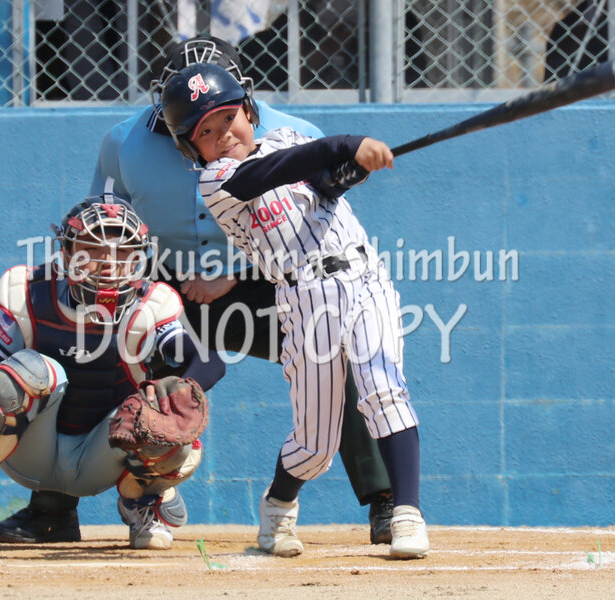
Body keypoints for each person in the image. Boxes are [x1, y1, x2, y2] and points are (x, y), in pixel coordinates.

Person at [0, 36, 395, 547]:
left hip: (264, 283)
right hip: (165, 287)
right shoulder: (123, 142)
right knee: (89, 346)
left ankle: (386, 501)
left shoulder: (295, 135)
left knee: (334, 353)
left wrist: (235, 270)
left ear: (243, 95)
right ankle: (55, 508)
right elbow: (102, 231)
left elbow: (313, 230)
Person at [159, 62, 429, 559]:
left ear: (248, 110)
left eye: (228, 118)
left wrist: (347, 172)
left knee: (384, 389)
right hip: (305, 301)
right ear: (191, 148)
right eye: (205, 133)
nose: (223, 136)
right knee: (315, 444)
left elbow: (321, 181)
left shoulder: (285, 137)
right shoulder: (217, 181)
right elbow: (279, 170)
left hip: (365, 278)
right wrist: (348, 145)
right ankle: (279, 502)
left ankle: (407, 513)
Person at [0, 198, 223, 551]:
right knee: (29, 371)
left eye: (122, 251)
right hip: (31, 454)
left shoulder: (149, 305)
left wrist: (178, 390)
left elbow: (208, 360)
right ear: (66, 252)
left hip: (103, 458)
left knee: (162, 407)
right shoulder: (31, 295)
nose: (109, 262)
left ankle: (143, 502)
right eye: (94, 248)